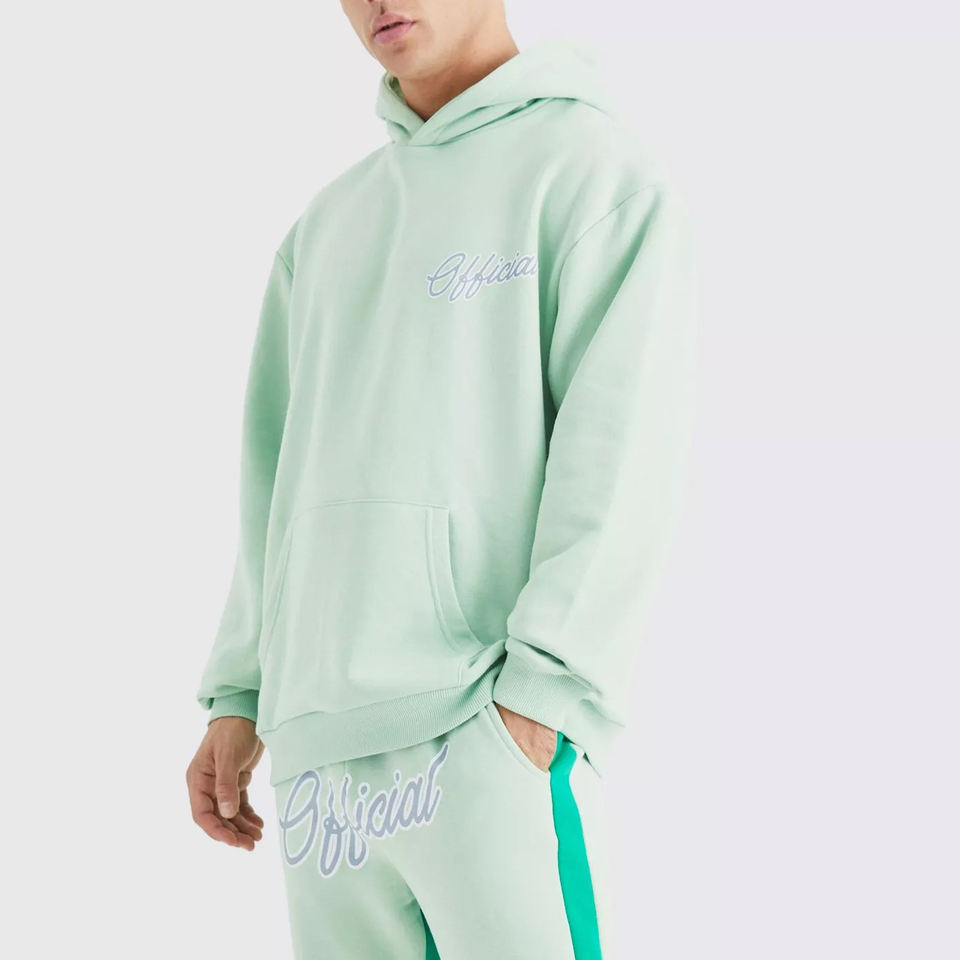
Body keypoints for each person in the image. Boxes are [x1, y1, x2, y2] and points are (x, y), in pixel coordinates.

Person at [185, 1, 699, 956]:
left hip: (487, 732)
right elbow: (272, 473)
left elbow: (621, 452)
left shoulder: (592, 172)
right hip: (322, 762)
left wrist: (543, 700)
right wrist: (242, 694)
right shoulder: (326, 227)